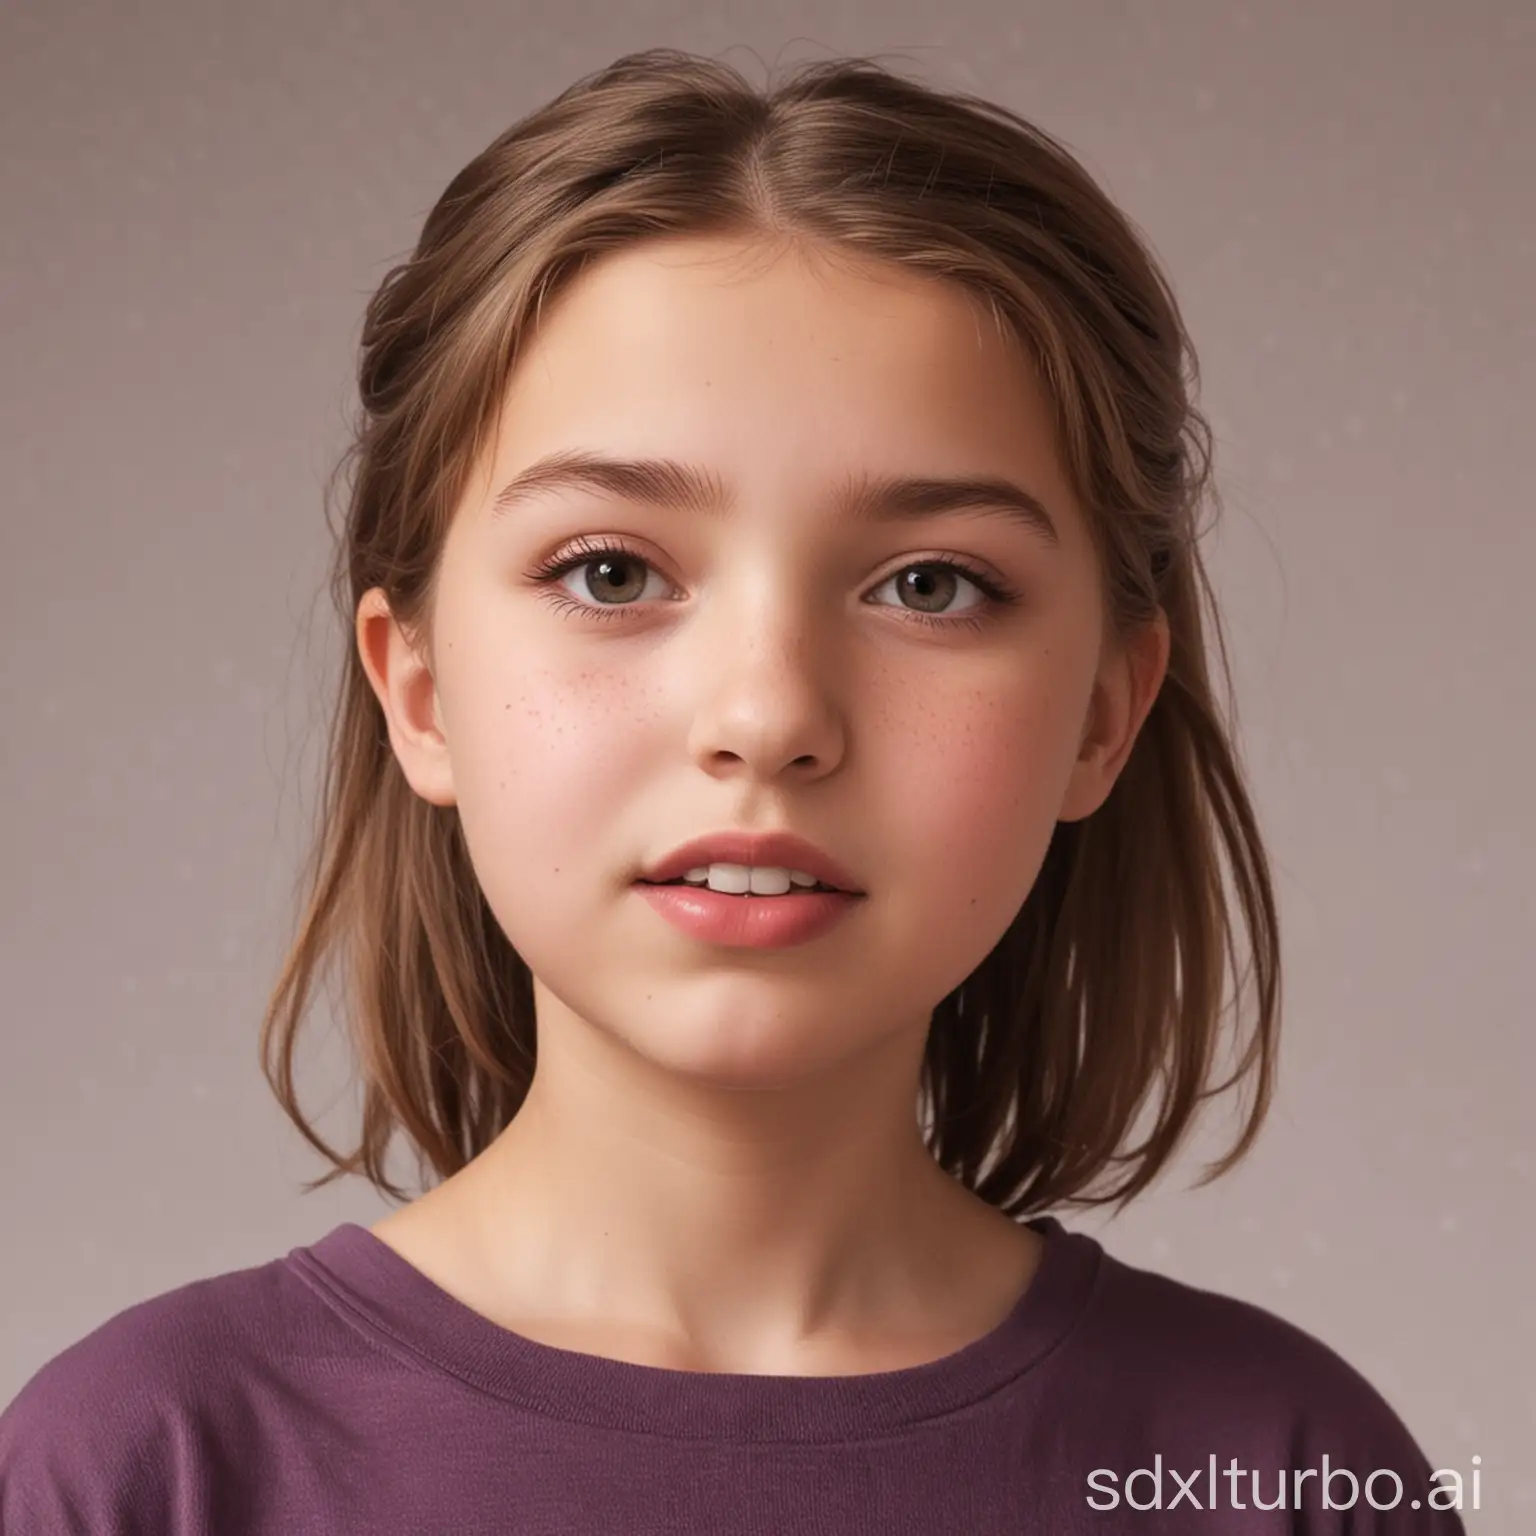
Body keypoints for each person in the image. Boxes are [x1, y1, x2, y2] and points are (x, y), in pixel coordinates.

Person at [0, 47, 1469, 1533]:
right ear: (419, 690)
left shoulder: (1285, 1476)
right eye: (612, 572)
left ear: (1103, 712)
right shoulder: (142, 1473)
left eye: (931, 584)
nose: (769, 717)